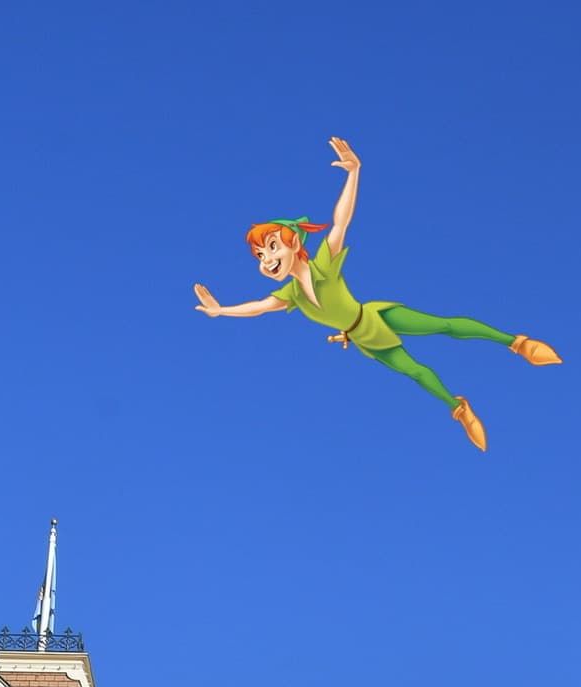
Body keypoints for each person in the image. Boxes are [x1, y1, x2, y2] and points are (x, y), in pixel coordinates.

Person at [193, 137, 561, 452]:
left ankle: (518, 343)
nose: (267, 258)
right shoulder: (292, 294)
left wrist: (354, 173)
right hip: (365, 339)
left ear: (294, 243)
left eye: (271, 247)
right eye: (260, 255)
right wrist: (221, 311)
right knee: (416, 372)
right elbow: (259, 307)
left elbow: (340, 222)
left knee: (445, 326)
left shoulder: (324, 265)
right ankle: (460, 409)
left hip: (374, 317)